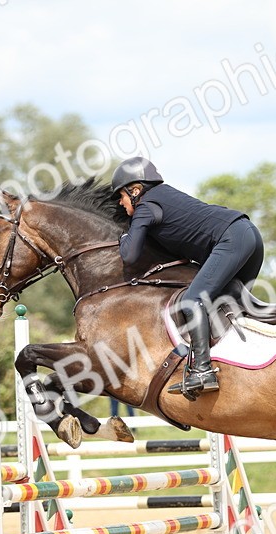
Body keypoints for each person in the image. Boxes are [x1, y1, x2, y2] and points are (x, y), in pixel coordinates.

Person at [112, 156, 265, 400]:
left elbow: (129, 255)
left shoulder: (145, 207)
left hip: (232, 239)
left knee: (193, 300)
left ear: (136, 190)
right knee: (230, 304)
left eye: (121, 196)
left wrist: (123, 238)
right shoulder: (165, 196)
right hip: (249, 235)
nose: (120, 203)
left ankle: (203, 370)